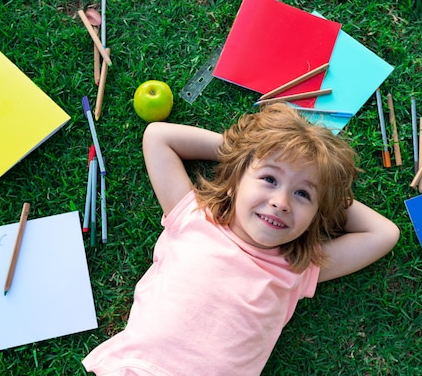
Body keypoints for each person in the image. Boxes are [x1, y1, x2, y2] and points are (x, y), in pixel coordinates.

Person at [83, 103, 399, 375]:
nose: (281, 201)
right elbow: (158, 137)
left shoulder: (295, 268)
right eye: (269, 178)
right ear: (235, 180)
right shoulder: (193, 216)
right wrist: (245, 154)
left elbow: (384, 234)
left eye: (302, 194)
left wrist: (328, 191)